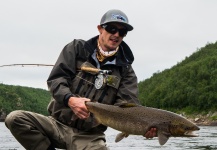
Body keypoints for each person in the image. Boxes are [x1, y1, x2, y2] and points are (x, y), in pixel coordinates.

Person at [5, 9, 156, 150]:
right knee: (15, 118)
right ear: (100, 29)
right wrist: (70, 100)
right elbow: (56, 80)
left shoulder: (126, 72)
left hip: (89, 136)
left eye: (122, 32)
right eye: (111, 29)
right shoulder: (76, 48)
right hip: (55, 124)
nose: (116, 34)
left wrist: (144, 127)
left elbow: (128, 109)